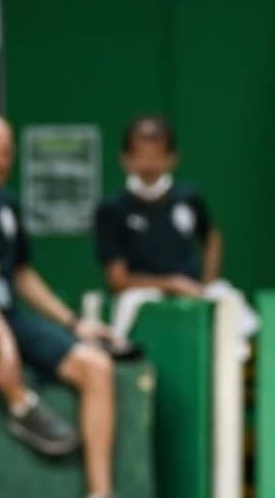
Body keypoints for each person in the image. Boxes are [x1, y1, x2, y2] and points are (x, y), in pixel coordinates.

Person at [0, 114, 140, 498]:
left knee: (96, 367)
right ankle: (21, 406)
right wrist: (0, 340)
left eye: (5, 154)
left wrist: (74, 323)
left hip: (7, 317)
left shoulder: (6, 205)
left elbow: (19, 275)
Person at [93, 115, 258, 349]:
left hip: (192, 289)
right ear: (125, 159)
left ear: (172, 159)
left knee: (233, 306)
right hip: (140, 295)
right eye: (141, 156)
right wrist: (170, 284)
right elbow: (117, 280)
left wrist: (207, 282)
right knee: (126, 316)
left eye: (157, 156)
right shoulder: (111, 209)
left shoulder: (190, 198)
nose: (149, 165)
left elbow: (211, 236)